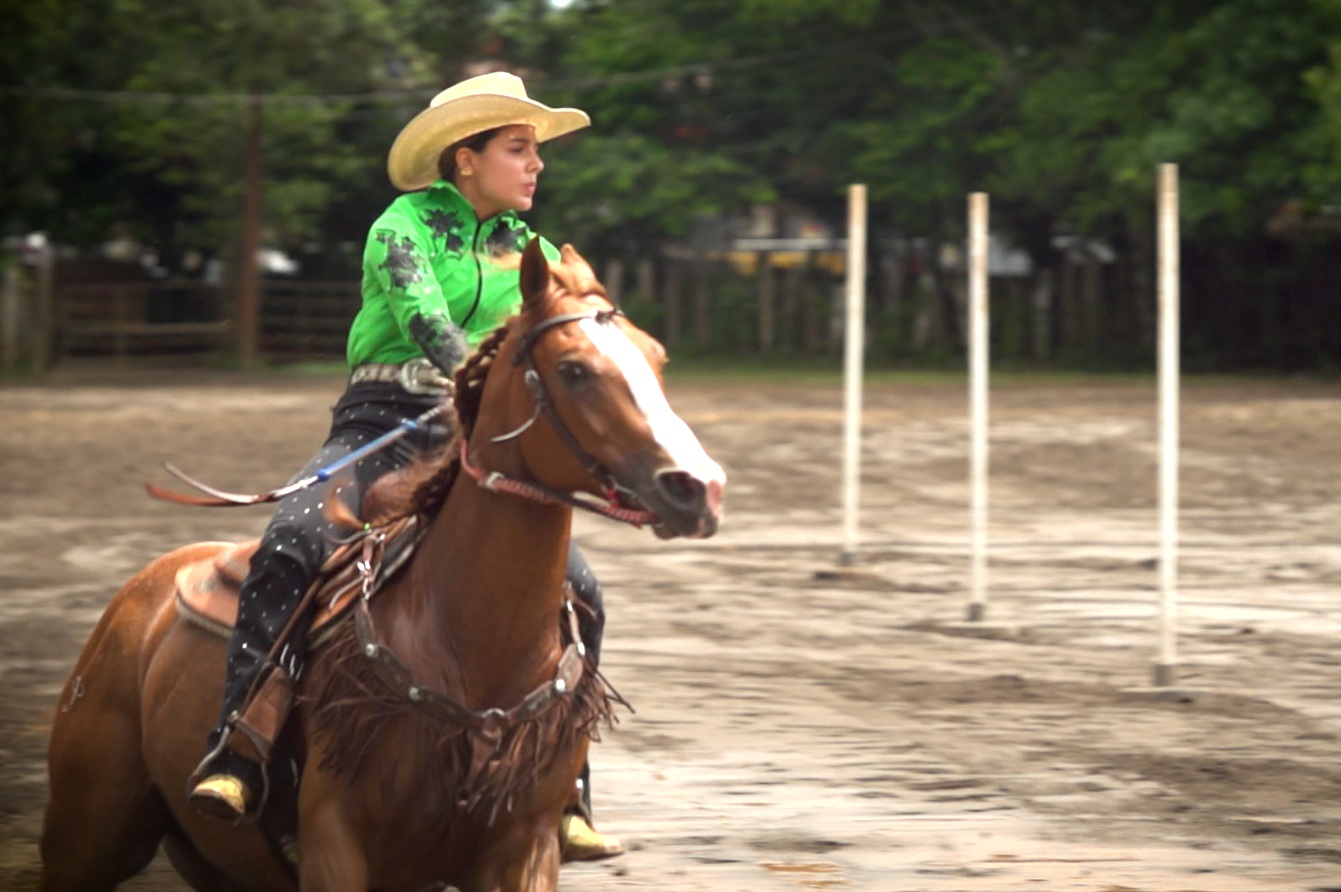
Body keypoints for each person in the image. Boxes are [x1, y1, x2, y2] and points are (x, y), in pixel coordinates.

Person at [187, 70, 623, 861]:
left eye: (534, 150)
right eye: (518, 148)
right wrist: (479, 382)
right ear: (466, 157)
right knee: (292, 540)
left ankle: (567, 785)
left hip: (477, 440)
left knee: (581, 588)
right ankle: (239, 748)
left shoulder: (532, 251)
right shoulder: (400, 226)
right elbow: (426, 321)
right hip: (381, 423)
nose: (536, 164)